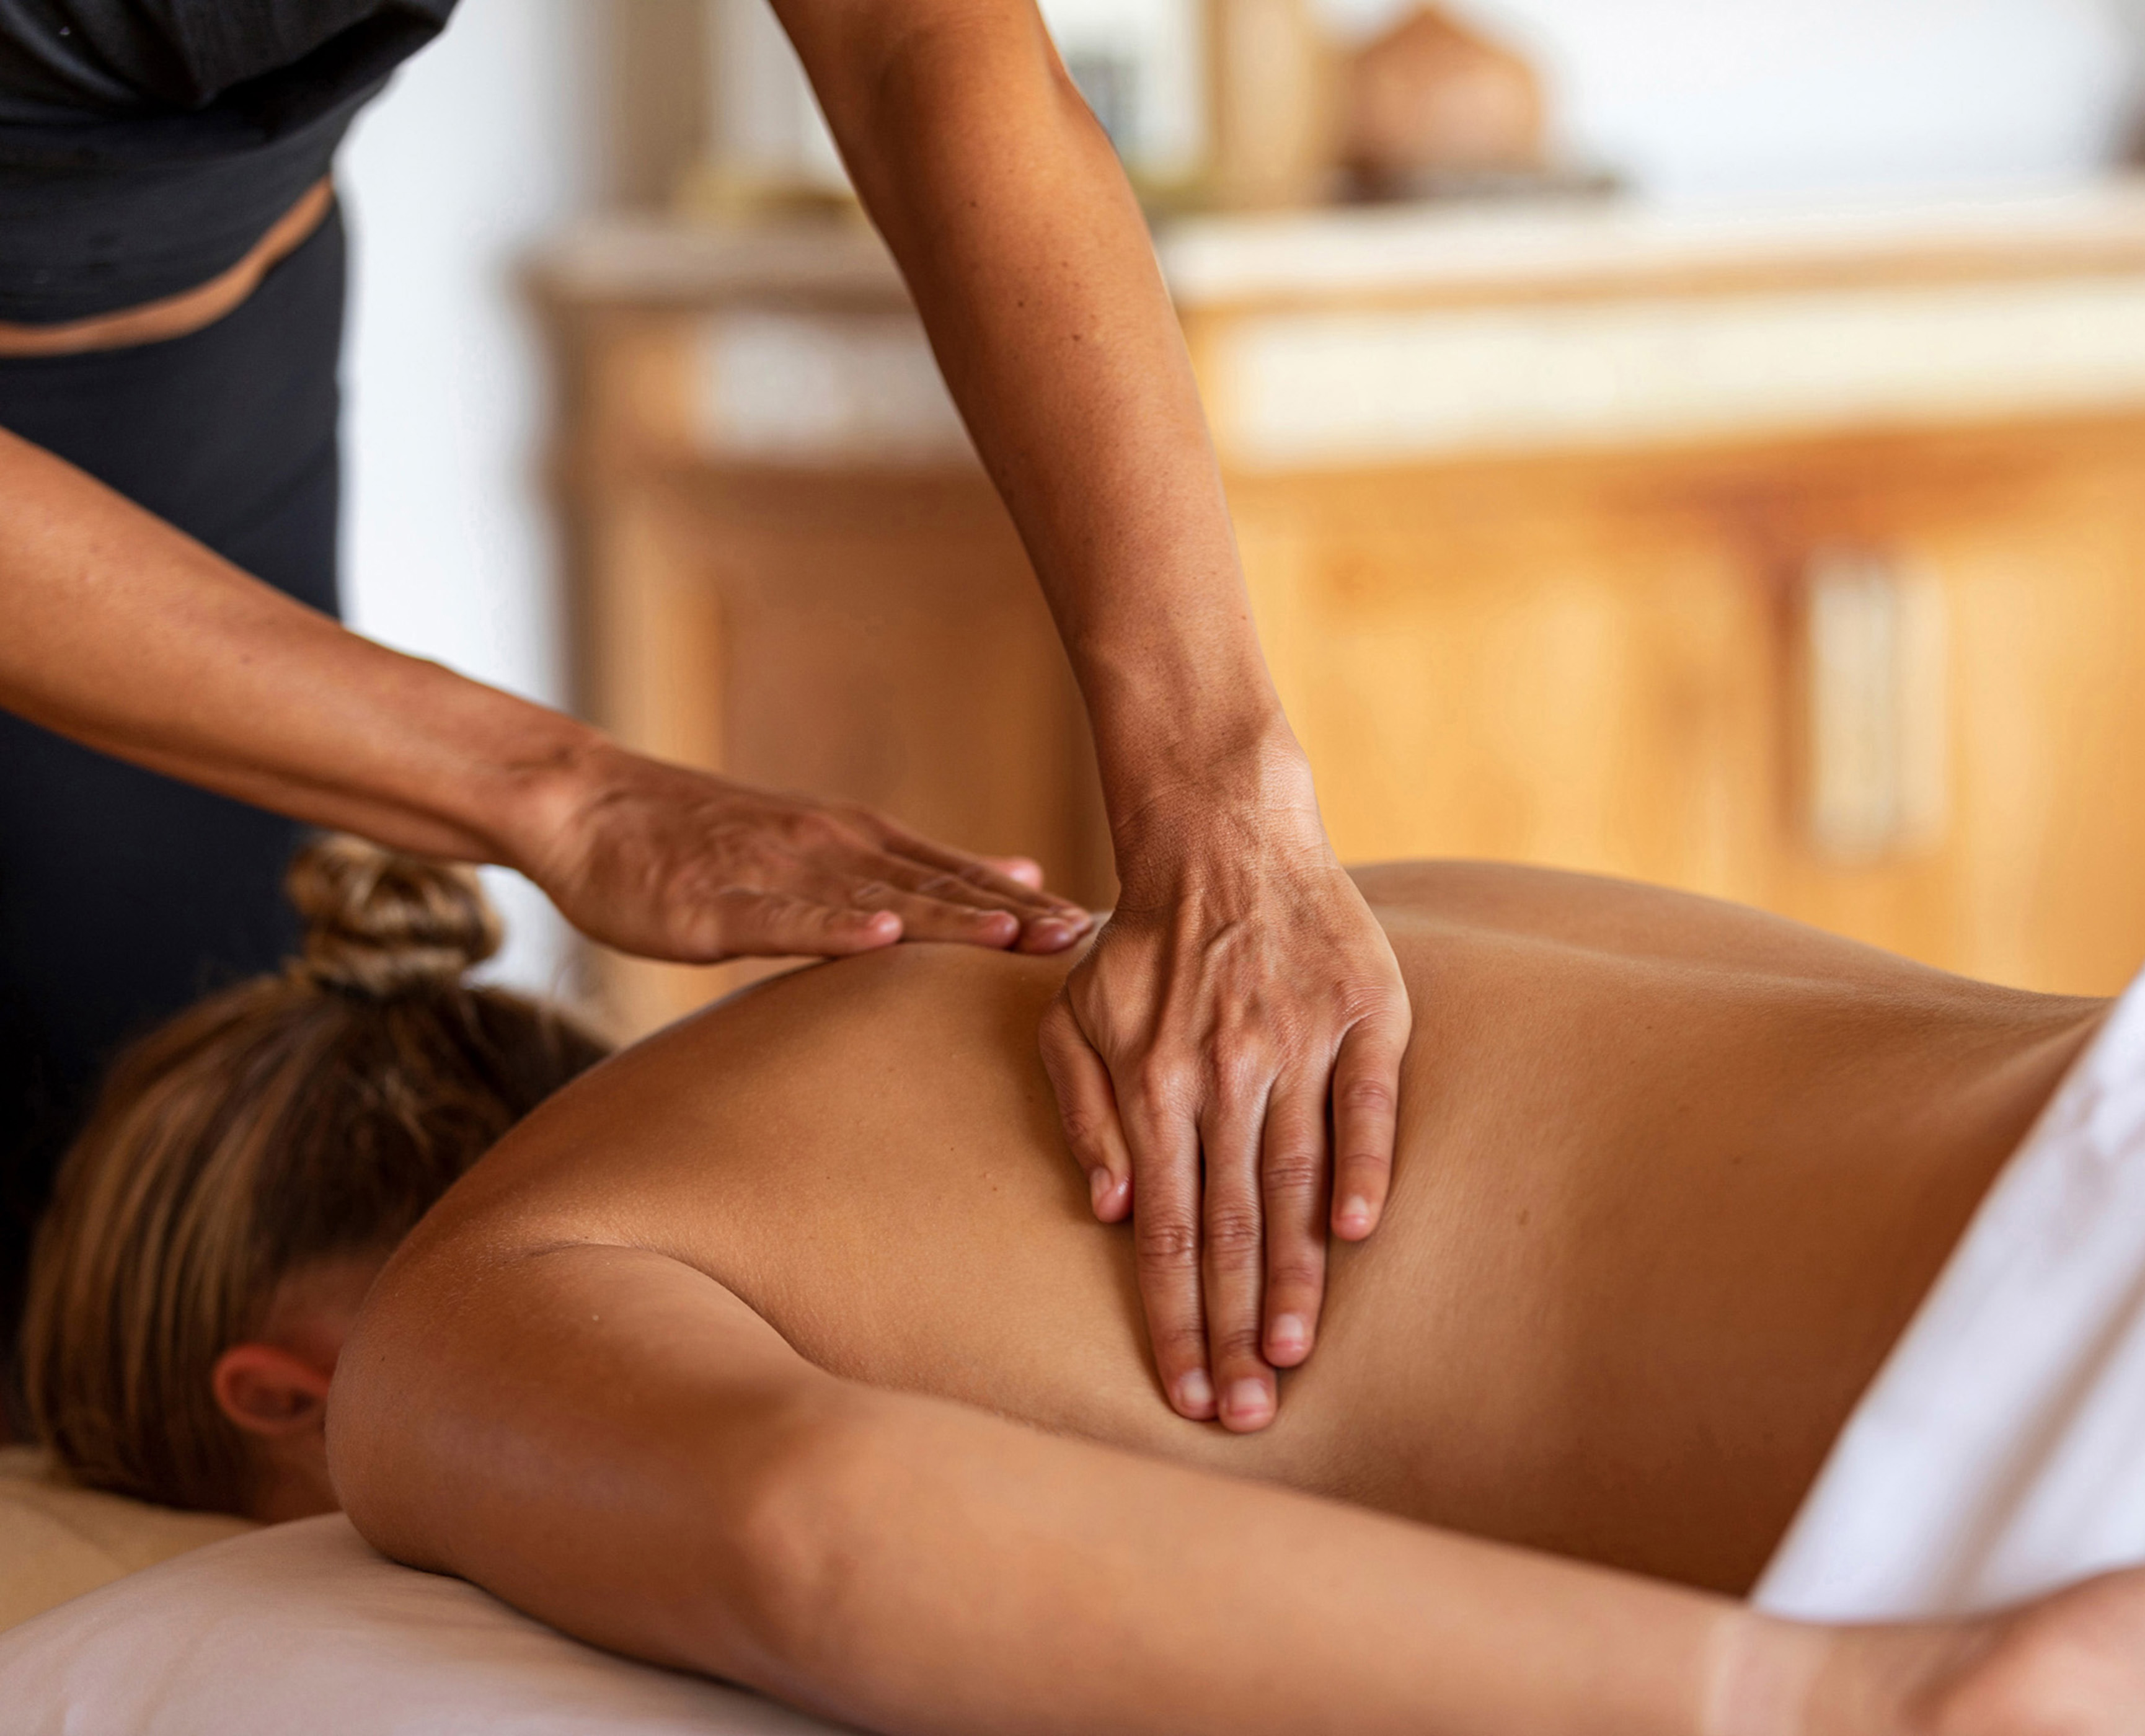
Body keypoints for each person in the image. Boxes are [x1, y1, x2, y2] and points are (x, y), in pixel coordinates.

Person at [27, 769, 2145, 1733]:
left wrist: (1854, 1709)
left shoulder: (469, 1332)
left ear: (277, 1395)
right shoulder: (1182, 955)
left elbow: (813, 1534)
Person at [0, 0, 1411, 1403]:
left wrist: (1220, 796)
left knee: (143, 1231)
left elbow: (915, 43)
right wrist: (571, 796)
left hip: (208, 356)